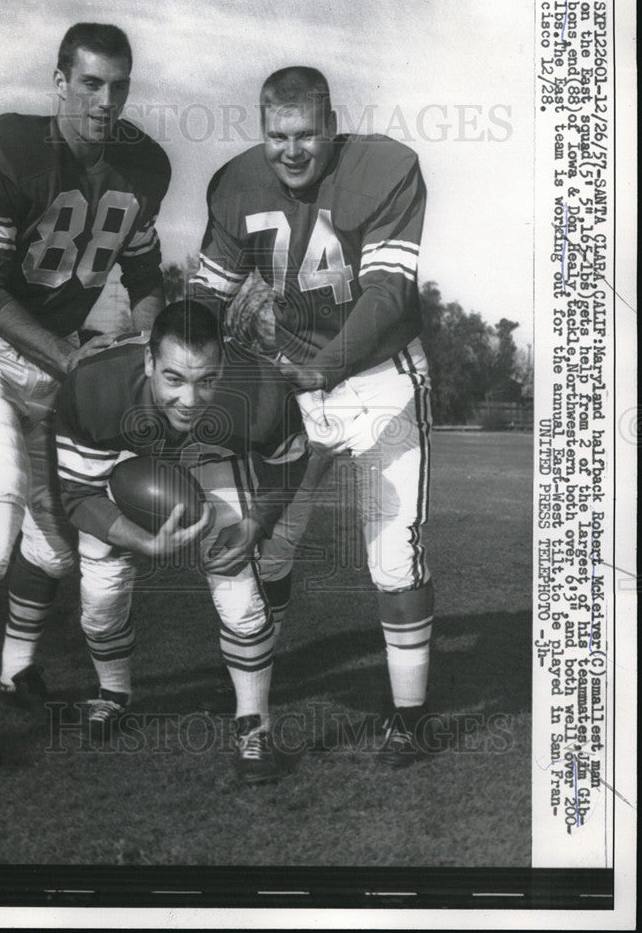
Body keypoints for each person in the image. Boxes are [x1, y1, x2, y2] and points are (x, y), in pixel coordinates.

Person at [0, 23, 171, 768]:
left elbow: (146, 278)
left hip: (60, 367)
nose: (107, 101)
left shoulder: (142, 167)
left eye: (120, 85)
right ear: (60, 80)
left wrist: (145, 353)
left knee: (57, 544)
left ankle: (17, 671)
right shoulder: (6, 146)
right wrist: (70, 358)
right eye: (92, 83)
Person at [190, 66, 435, 766]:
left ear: (331, 127)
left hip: (377, 377)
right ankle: (254, 709)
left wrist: (322, 369)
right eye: (277, 136)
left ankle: (408, 718)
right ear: (262, 130)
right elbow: (205, 297)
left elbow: (388, 294)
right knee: (270, 544)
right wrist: (182, 373)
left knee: (393, 551)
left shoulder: (384, 168)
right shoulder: (237, 183)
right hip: (290, 383)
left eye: (305, 135)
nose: (291, 151)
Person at [53, 300, 307, 784]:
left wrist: (255, 522)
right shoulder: (95, 385)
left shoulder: (260, 387)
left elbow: (290, 459)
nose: (190, 398)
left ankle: (254, 728)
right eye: (174, 378)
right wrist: (140, 541)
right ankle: (113, 695)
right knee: (100, 597)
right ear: (148, 362)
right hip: (124, 461)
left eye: (207, 379)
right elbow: (78, 494)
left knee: (240, 597)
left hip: (214, 454)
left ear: (225, 366)